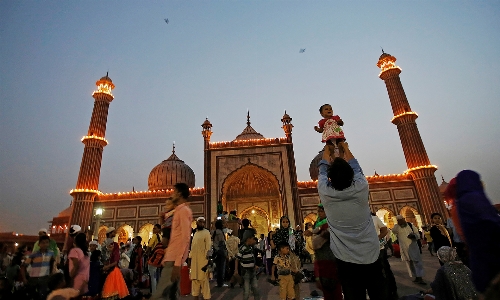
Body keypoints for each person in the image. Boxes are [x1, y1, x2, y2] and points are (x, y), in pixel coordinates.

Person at [317, 142, 386, 299]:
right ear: (351, 176)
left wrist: (327, 151)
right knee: (379, 293)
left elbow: (321, 171)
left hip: (344, 258)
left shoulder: (326, 193)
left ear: (330, 178)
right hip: (371, 254)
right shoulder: (361, 187)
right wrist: (345, 148)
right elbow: (356, 167)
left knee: (353, 295)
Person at [454, 170, 500, 295]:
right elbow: (489, 223)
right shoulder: (473, 199)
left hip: (479, 252)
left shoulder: (462, 201)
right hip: (490, 250)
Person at [151, 182, 193, 300]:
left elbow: (185, 238)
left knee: (159, 294)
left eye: (174, 192)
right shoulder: (178, 211)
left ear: (179, 193)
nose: (172, 194)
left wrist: (177, 263)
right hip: (171, 258)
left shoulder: (184, 210)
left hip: (173, 260)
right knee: (171, 294)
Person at [305, 203, 342, 300]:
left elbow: (317, 242)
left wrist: (314, 233)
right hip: (322, 262)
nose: (320, 213)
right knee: (328, 294)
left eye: (322, 211)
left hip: (333, 262)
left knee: (336, 293)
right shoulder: (319, 225)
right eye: (319, 211)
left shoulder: (331, 224)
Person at [392, 215, 426, 285]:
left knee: (417, 262)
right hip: (405, 248)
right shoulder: (397, 227)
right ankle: (416, 276)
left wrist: (414, 236)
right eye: (399, 220)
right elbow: (393, 231)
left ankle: (420, 277)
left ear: (404, 219)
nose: (401, 222)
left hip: (413, 246)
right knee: (410, 263)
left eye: (402, 220)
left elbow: (417, 234)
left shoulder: (410, 225)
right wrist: (397, 224)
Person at [372, 212, 398, 299]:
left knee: (383, 271)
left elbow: (385, 230)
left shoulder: (374, 219)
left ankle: (390, 291)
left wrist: (377, 239)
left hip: (379, 250)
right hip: (371, 250)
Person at [21, 235, 56, 299]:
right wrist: (24, 278)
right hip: (33, 279)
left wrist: (51, 275)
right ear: (39, 244)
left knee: (43, 297)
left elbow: (52, 264)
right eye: (43, 243)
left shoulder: (51, 253)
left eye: (47, 242)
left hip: (45, 279)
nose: (45, 244)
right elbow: (23, 266)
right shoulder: (33, 254)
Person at [189, 217, 212, 300]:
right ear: (197, 223)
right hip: (194, 263)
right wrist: (190, 260)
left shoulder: (206, 233)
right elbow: (192, 248)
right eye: (200, 222)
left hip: (203, 262)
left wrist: (208, 261)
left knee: (204, 282)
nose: (202, 224)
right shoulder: (195, 233)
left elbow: (208, 247)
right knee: (194, 281)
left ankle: (206, 298)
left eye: (203, 222)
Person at [236, 231, 260, 300]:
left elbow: (252, 258)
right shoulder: (243, 248)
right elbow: (237, 259)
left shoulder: (251, 248)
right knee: (246, 291)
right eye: (253, 239)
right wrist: (236, 270)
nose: (254, 241)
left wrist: (254, 265)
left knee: (255, 288)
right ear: (248, 239)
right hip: (246, 272)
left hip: (252, 271)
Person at [212, 219, 228, 287]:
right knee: (222, 267)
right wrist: (225, 252)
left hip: (216, 251)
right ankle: (221, 282)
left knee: (218, 268)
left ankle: (218, 282)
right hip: (220, 251)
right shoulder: (220, 233)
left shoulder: (214, 232)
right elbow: (222, 243)